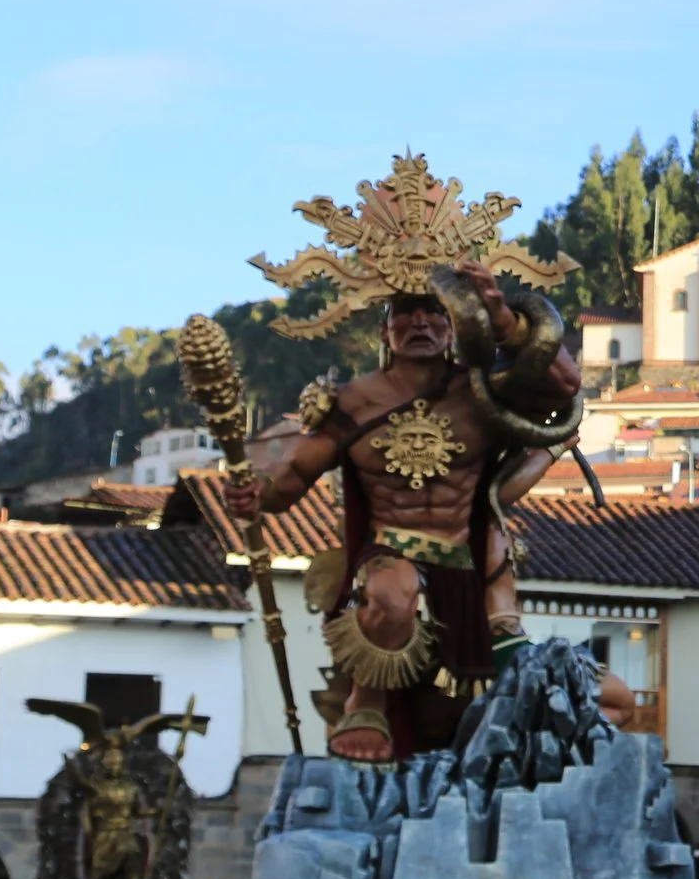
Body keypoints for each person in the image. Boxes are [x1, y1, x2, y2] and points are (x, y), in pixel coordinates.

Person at [226, 156, 584, 764]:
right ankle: (365, 697)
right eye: (403, 311)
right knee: (391, 591)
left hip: (475, 561)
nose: (418, 320)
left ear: (452, 325)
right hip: (388, 554)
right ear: (384, 327)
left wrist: (501, 316)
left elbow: (565, 385)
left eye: (432, 310)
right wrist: (253, 496)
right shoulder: (352, 401)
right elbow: (291, 479)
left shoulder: (483, 392)